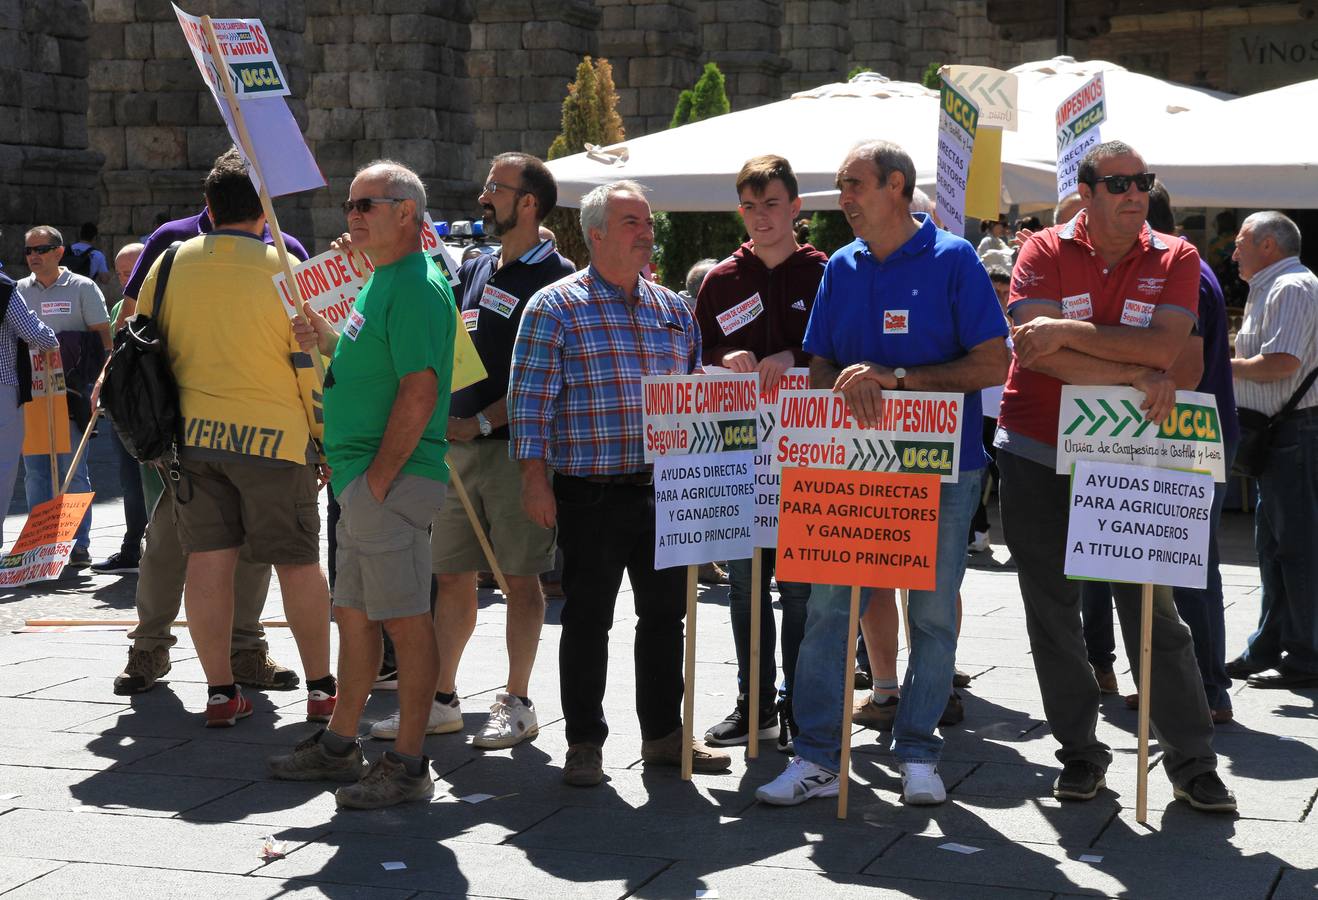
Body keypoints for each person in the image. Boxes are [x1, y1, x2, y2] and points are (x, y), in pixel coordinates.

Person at [756, 140, 1009, 807]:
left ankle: (919, 751)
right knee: (828, 611)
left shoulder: (955, 260)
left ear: (897, 186)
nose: (842, 199)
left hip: (943, 471)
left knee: (930, 615)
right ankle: (815, 757)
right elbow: (819, 364)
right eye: (840, 186)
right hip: (848, 471)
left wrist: (900, 381)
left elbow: (994, 365)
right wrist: (833, 396)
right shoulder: (842, 265)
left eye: (854, 185)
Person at [995, 140, 1235, 812]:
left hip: (1129, 455)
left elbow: (1175, 359)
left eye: (1143, 182)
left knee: (1154, 612)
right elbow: (1033, 355)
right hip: (1037, 448)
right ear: (1089, 191)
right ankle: (1080, 753)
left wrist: (1073, 336)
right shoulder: (1042, 248)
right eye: (1120, 183)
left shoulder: (1177, 255)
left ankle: (1193, 762)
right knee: (1052, 613)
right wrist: (1134, 372)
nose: (1135, 194)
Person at [508, 179, 732, 787]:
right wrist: (534, 480)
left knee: (666, 619)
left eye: (648, 222)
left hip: (666, 491)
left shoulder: (672, 307)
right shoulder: (555, 305)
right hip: (590, 490)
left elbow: (691, 391)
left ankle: (663, 736)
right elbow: (528, 402)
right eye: (633, 223)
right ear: (597, 233)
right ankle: (584, 742)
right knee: (587, 619)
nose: (648, 232)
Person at [368, 152, 574, 750]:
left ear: (528, 202)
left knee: (521, 578)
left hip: (516, 452)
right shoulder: (478, 266)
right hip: (456, 452)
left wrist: (482, 423)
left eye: (496, 189)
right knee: (451, 576)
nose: (484, 197)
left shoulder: (556, 278)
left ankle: (517, 698)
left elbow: (550, 378)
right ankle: (441, 700)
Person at [271, 159, 457, 809]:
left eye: (366, 204)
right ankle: (339, 745)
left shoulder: (410, 283)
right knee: (354, 617)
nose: (352, 216)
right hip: (361, 482)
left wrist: (378, 478)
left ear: (406, 211)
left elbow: (421, 387)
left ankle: (407, 763)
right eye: (350, 204)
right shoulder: (383, 282)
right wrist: (324, 339)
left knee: (405, 623)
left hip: (386, 484)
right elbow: (369, 365)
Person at [132, 150, 333, 729]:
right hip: (275, 441)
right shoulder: (287, 270)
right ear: (264, 208)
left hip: (194, 442)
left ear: (210, 206)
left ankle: (221, 694)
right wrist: (322, 440)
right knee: (297, 562)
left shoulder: (168, 264)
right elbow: (308, 363)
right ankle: (321, 688)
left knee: (207, 564)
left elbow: (145, 344)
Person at [1081, 183, 1240, 722]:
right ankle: (1199, 689)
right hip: (1189, 431)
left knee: (1184, 568)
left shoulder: (1181, 272)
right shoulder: (1189, 273)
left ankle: (1202, 692)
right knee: (1190, 565)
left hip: (1182, 435)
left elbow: (1185, 368)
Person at [693, 154, 827, 752]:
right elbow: (696, 359)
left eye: (771, 204)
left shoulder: (826, 273)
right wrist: (723, 360)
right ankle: (755, 704)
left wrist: (795, 359)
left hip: (806, 458)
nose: (760, 217)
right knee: (746, 588)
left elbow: (843, 354)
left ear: (796, 208)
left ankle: (802, 704)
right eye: (749, 206)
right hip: (739, 460)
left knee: (799, 591)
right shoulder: (721, 280)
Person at [1224, 212, 1318, 690]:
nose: (1233, 251)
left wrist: (1221, 363)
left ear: (1267, 244)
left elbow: (1282, 364)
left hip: (1295, 433)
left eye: (1240, 243)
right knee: (1274, 545)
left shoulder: (1291, 287)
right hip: (1281, 433)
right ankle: (1270, 643)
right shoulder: (1273, 285)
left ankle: (1306, 654)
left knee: (1296, 547)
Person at [16, 226, 111, 568]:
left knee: (73, 468)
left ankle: (78, 542)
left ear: (59, 252)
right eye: (28, 250)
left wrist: (100, 381)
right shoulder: (18, 290)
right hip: (33, 393)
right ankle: (41, 541)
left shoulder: (82, 287)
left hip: (71, 391)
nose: (33, 256)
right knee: (37, 469)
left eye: (41, 249)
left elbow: (104, 338)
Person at [90, 243, 149, 576]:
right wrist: (101, 383)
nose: (129, 280)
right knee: (129, 480)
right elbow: (113, 354)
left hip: (155, 407)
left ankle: (162, 549)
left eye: (134, 272)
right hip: (125, 407)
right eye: (124, 274)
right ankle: (132, 547)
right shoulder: (118, 309)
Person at [1, 272, 59, 548]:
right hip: (2, 386)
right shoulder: (4, 287)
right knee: (2, 469)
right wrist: (53, 339)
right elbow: (35, 334)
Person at [66, 223, 112, 287]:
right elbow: (105, 279)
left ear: (80, 235)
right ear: (95, 237)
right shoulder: (98, 255)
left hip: (66, 288)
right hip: (84, 290)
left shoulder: (67, 250)